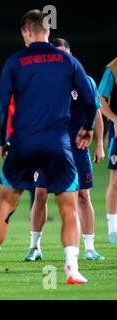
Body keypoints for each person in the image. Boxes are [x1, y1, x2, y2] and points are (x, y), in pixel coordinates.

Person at [0, 10, 97, 285]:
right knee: (68, 207)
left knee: (5, 203)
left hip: (23, 144)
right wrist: (88, 128)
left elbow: (0, 106)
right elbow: (89, 99)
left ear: (26, 33)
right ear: (48, 32)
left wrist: (0, 140)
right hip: (59, 145)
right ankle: (72, 269)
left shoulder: (16, 61)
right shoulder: (68, 60)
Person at [25, 38, 105, 262]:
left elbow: (96, 113)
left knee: (82, 195)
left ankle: (89, 248)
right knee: (40, 194)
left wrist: (99, 144)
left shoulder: (86, 81)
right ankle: (34, 247)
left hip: (77, 148)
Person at [98, 56, 117, 243]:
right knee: (116, 180)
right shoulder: (113, 68)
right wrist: (115, 119)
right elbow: (100, 99)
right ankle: (113, 230)